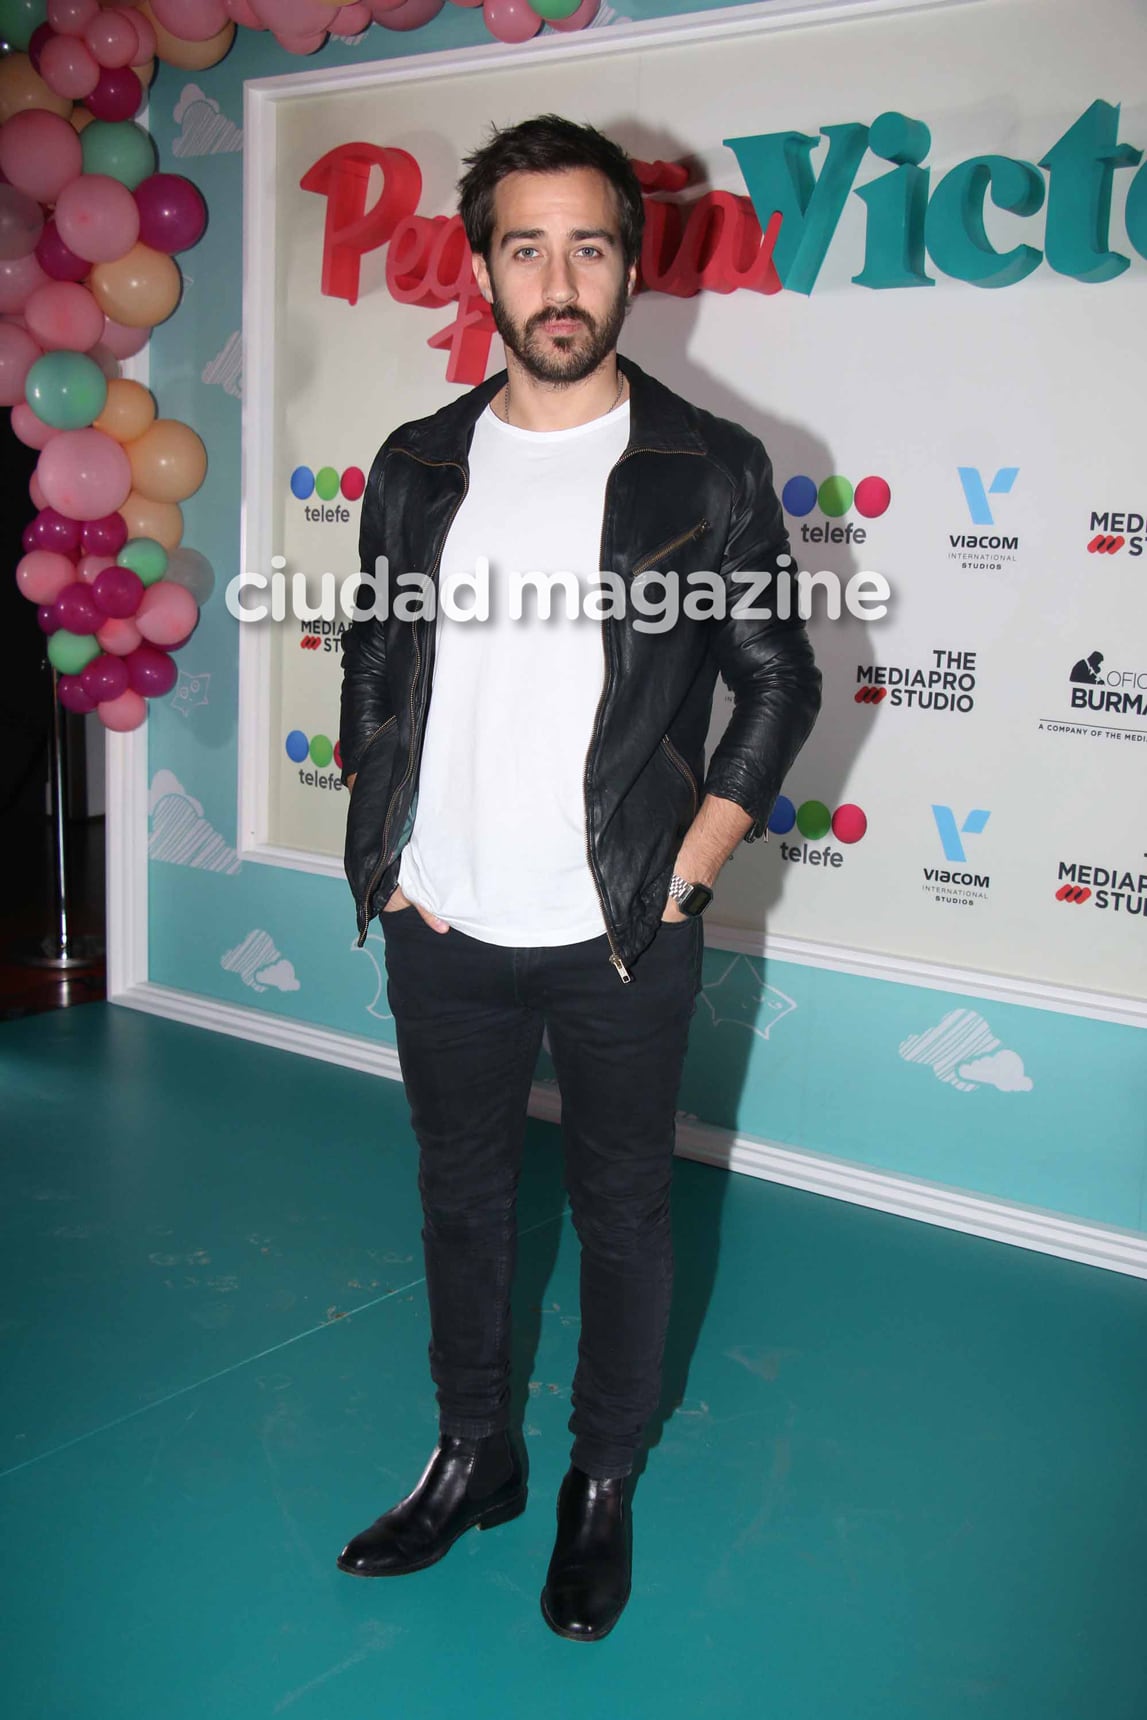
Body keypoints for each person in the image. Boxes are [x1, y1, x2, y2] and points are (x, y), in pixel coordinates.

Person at [335, 113, 821, 1641]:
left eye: (590, 246)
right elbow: (375, 656)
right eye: (527, 245)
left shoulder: (707, 464)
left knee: (623, 1218)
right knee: (461, 1206)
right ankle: (471, 1452)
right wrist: (389, 840)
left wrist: (692, 862)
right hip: (446, 920)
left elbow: (777, 680)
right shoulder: (419, 463)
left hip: (623, 926)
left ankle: (599, 1483)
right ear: (482, 267)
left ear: (629, 265)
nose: (560, 279)